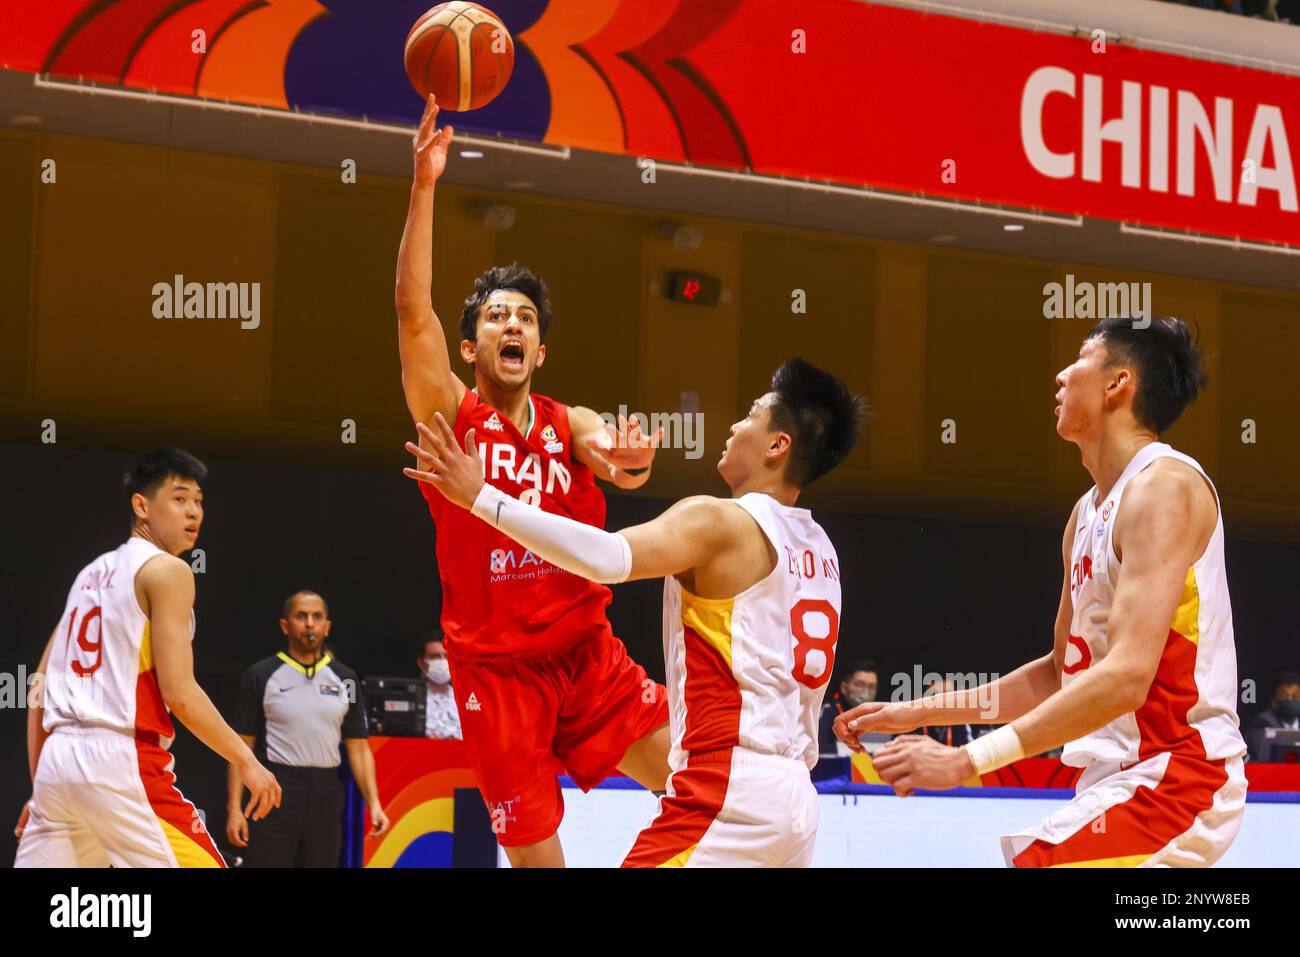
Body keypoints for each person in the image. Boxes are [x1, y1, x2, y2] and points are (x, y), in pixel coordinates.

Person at [405, 358, 866, 867]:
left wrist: (482, 497)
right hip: (797, 801)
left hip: (729, 790)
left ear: (778, 446)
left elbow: (605, 558)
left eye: (753, 415)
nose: (736, 425)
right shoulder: (821, 548)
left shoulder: (718, 521)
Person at [838, 316, 1248, 868]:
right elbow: (1060, 671)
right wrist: (917, 711)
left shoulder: (1164, 487)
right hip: (1117, 784)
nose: (1060, 376)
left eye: (1079, 358)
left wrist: (966, 761)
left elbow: (1127, 678)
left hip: (1178, 778)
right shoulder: (1085, 514)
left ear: (1116, 383)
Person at [393, 93, 671, 867]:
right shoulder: (451, 416)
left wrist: (623, 457)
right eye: (495, 317)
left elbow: (607, 446)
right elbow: (411, 312)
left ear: (540, 351)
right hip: (495, 676)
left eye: (525, 319)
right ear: (471, 342)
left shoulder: (563, 418)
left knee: (699, 788)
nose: (512, 325)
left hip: (587, 655)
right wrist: (424, 185)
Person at [14, 447, 280, 867]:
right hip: (120, 760)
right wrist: (246, 760)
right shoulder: (169, 571)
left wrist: (43, 787)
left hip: (57, 763)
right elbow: (180, 692)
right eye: (178, 498)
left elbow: (38, 686)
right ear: (141, 505)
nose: (193, 511)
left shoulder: (88, 573)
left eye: (198, 501)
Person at [226, 591, 390, 867]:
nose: (310, 624)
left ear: (327, 626)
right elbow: (241, 746)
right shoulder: (261, 674)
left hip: (326, 791)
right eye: (301, 616)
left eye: (317, 617)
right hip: (275, 787)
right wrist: (234, 809)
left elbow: (359, 748)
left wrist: (374, 803)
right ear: (285, 625)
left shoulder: (346, 679)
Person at [817, 661, 878, 754]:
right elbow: (819, 750)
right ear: (844, 688)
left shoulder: (879, 713)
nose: (866, 691)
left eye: (871, 687)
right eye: (860, 684)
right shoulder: (827, 712)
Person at [417, 630, 462, 740]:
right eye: (435, 656)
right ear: (421, 663)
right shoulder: (413, 699)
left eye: (446, 656)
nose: (443, 661)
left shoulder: (465, 699)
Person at [1246, 672, 1300, 762]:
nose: (1290, 700)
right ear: (1274, 701)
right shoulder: (1261, 724)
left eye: (1295, 696)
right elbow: (1260, 757)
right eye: (1283, 696)